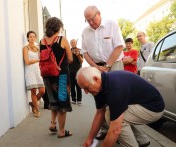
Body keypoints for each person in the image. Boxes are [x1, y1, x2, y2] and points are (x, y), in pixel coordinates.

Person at [76, 66, 164, 147]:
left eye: (86, 88)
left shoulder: (115, 87)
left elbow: (115, 130)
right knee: (108, 114)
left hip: (153, 109)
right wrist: (90, 138)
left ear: (96, 79)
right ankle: (140, 140)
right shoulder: (100, 86)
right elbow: (99, 113)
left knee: (110, 116)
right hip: (143, 104)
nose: (86, 92)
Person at [81, 5, 125, 139]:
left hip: (114, 65)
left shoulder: (111, 24)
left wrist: (108, 65)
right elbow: (85, 53)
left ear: (99, 14)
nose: (91, 23)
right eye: (87, 20)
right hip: (97, 68)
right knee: (100, 100)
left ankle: (122, 130)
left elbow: (119, 46)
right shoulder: (85, 32)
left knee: (117, 98)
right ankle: (105, 129)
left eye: (92, 19)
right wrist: (95, 66)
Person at [39, 17, 73, 138]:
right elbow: (70, 58)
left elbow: (41, 58)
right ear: (58, 27)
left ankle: (53, 124)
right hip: (61, 76)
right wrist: (61, 65)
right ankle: (62, 131)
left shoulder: (42, 41)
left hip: (47, 76)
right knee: (62, 103)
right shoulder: (61, 40)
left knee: (53, 100)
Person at [23, 31, 45, 118]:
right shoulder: (25, 48)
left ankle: (33, 103)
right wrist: (39, 60)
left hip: (38, 71)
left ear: (35, 38)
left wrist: (39, 50)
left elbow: (43, 57)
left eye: (33, 36)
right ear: (28, 38)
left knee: (42, 91)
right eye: (30, 36)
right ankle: (37, 110)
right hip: (30, 71)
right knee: (33, 91)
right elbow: (27, 61)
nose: (32, 38)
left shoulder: (37, 48)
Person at [69, 39, 83, 105]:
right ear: (70, 44)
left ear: (76, 43)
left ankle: (79, 100)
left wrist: (78, 56)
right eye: (72, 42)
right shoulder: (68, 51)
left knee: (78, 85)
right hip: (70, 70)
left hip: (78, 70)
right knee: (72, 85)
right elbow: (67, 61)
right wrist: (71, 55)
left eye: (74, 42)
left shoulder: (80, 50)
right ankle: (73, 99)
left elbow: (82, 61)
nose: (73, 43)